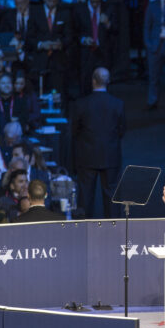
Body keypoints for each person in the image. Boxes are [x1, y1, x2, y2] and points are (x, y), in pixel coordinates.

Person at [71, 67, 126, 219]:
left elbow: (74, 131)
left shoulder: (81, 104)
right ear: (108, 81)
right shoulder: (118, 104)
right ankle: (113, 229)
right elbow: (122, 130)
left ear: (93, 81)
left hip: (87, 155)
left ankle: (83, 230)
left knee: (85, 195)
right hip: (110, 155)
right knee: (112, 195)